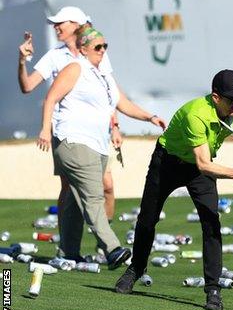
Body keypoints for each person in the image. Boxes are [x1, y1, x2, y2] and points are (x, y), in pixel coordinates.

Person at [114, 69, 233, 310]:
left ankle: (213, 289)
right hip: (168, 163)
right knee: (147, 219)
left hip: (199, 171)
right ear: (216, 97)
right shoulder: (196, 115)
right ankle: (136, 268)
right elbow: (205, 164)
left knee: (211, 222)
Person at [36, 26, 167, 269]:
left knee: (76, 199)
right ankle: (112, 248)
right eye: (98, 46)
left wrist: (150, 117)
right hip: (73, 140)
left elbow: (123, 103)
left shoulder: (104, 76)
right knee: (94, 195)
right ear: (83, 49)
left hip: (97, 144)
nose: (103, 50)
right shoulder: (75, 68)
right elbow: (51, 98)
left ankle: (68, 252)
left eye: (105, 46)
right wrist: (45, 129)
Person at [18, 6, 121, 229]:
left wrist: (115, 125)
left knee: (107, 186)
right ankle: (69, 244)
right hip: (67, 133)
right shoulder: (54, 56)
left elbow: (108, 92)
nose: (56, 27)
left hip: (97, 132)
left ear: (76, 25)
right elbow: (27, 86)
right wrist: (22, 61)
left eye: (61, 23)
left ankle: (103, 237)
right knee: (69, 188)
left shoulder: (98, 50)